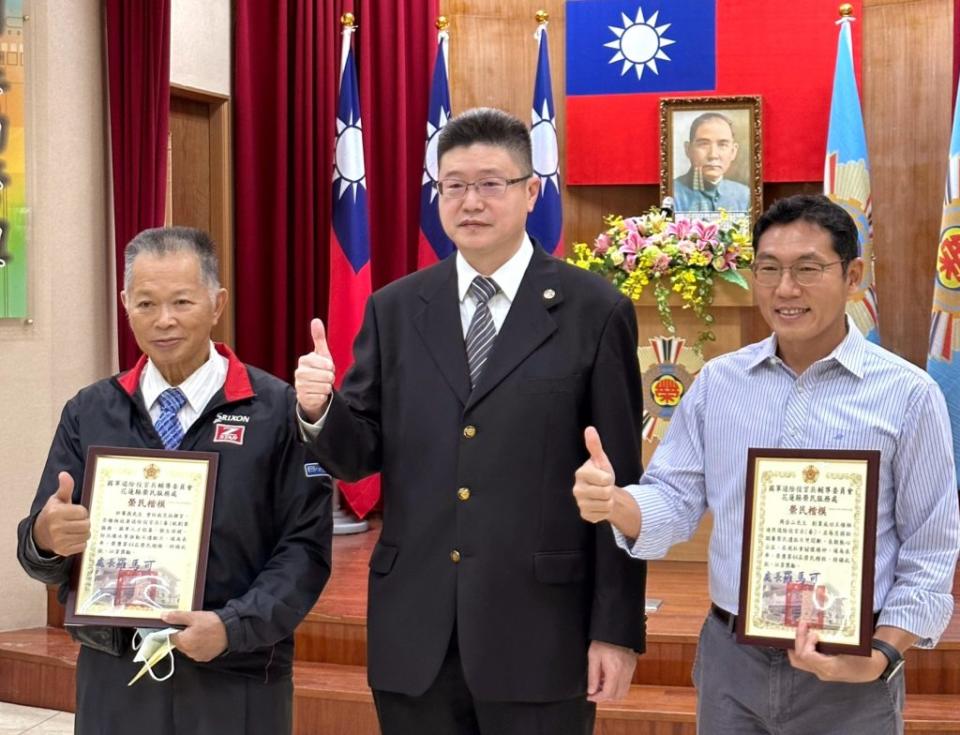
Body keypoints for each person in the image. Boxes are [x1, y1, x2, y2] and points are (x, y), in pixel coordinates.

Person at [295, 107, 647, 735]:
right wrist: (322, 410)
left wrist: (616, 631)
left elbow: (616, 483)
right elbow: (359, 456)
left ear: (532, 191)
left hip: (542, 632)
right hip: (415, 631)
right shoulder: (397, 308)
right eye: (453, 185)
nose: (471, 202)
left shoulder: (594, 310)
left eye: (491, 183)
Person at [572, 194, 960, 734]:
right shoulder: (717, 384)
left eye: (807, 269)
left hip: (851, 669)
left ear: (853, 276)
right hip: (733, 660)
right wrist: (616, 503)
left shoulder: (908, 395)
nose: (785, 289)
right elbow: (676, 499)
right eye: (769, 269)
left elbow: (931, 547)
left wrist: (879, 657)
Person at [16, 227, 333, 735]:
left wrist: (231, 628)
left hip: (238, 674)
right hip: (115, 677)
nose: (164, 320)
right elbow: (41, 547)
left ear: (217, 303)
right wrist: (46, 539)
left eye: (182, 301)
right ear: (125, 304)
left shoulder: (276, 411)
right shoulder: (90, 410)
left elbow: (304, 550)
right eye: (146, 303)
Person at [672, 112, 751, 214]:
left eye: (722, 144)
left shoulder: (744, 195)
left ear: (733, 151)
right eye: (703, 144)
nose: (713, 155)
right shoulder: (673, 193)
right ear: (688, 149)